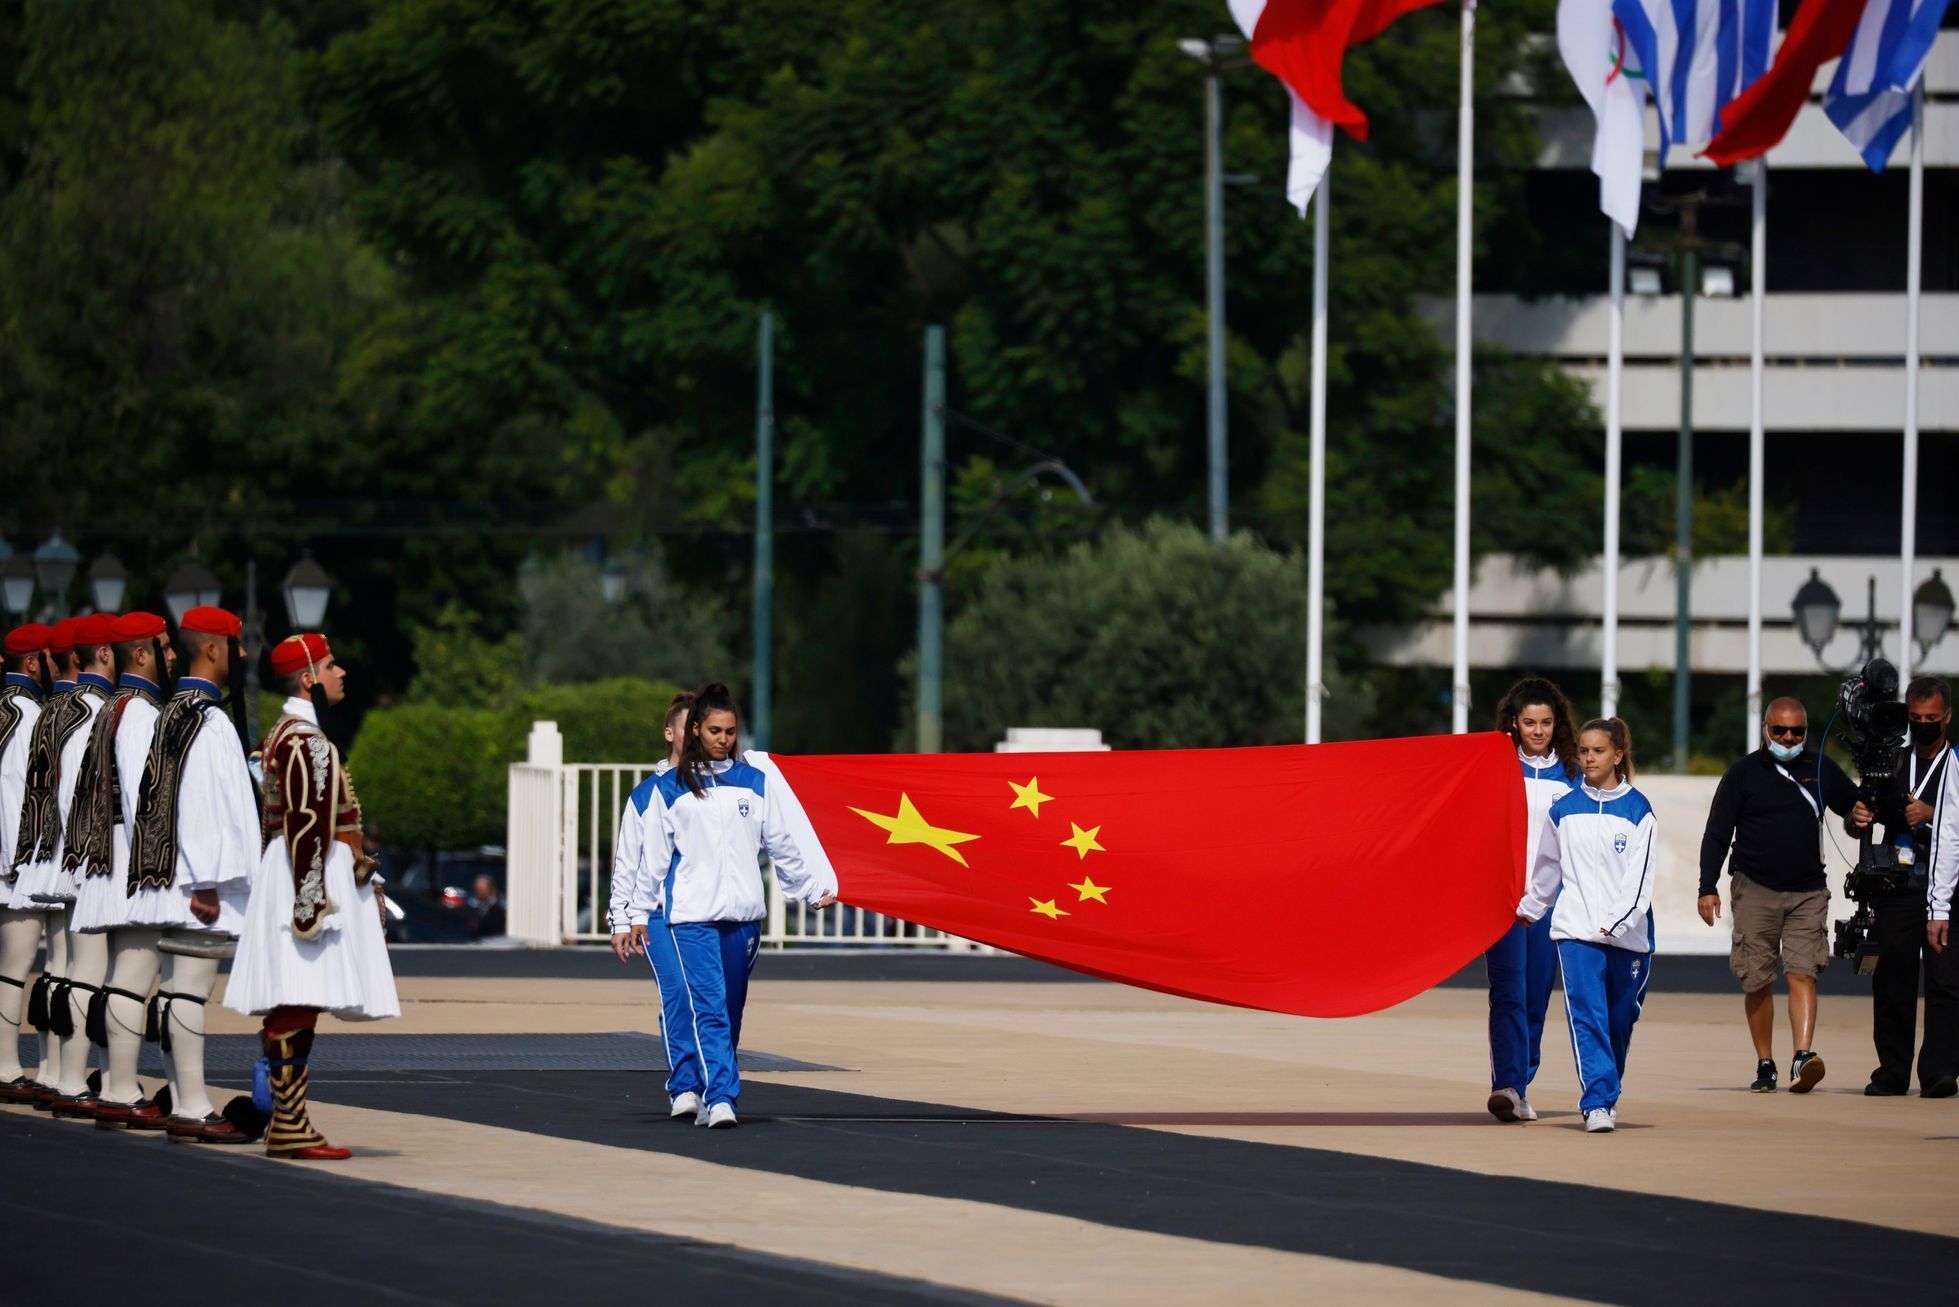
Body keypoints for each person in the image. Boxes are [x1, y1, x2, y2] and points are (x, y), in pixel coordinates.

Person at [224, 633, 400, 1160]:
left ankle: (288, 1119)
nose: (340, 672)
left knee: (296, 1002)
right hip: (309, 879)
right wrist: (312, 902)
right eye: (328, 665)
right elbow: (307, 827)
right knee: (297, 1001)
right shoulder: (307, 740)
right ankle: (289, 1124)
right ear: (307, 678)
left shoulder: (290, 733)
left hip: (303, 874)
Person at [629, 681, 836, 1127]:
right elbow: (653, 863)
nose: (723, 740)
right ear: (697, 729)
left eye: (730, 731)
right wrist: (637, 914)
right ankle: (722, 1096)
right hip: (691, 920)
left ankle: (712, 1087)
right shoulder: (670, 790)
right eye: (715, 730)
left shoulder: (754, 784)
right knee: (708, 1007)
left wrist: (807, 888)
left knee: (728, 1011)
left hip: (742, 921)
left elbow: (781, 845)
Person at [119, 606, 258, 1143]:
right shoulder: (206, 718)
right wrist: (204, 881)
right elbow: (199, 804)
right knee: (188, 994)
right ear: (215, 648)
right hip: (201, 883)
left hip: (184, 875)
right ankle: (192, 1105)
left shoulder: (175, 710)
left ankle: (184, 1098)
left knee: (179, 991)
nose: (243, 657)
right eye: (237, 646)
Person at [1698, 697, 1867, 1094]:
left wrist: (1858, 819)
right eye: (1780, 730)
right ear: (1765, 731)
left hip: (1808, 890)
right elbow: (1717, 833)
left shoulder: (1821, 768)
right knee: (1757, 979)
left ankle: (1803, 1056)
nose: (1788, 738)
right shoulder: (1742, 773)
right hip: (1754, 888)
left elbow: (1852, 812)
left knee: (1802, 972)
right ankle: (1766, 1062)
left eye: (1797, 732)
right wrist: (1707, 887)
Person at [1517, 718, 1655, 1134]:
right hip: (1575, 931)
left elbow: (1640, 879)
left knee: (1618, 1020)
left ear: (1618, 755)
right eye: (1583, 751)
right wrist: (1533, 906)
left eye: (1598, 751)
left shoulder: (1639, 810)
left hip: (1627, 935)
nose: (1589, 758)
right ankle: (1597, 1102)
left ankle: (1607, 1087)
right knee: (1587, 1015)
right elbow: (1546, 867)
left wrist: (1617, 921)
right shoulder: (1564, 809)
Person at [81, 611, 179, 1130]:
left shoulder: (115, 706)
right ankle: (120, 1088)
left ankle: (112, 1080)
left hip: (112, 854)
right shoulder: (139, 713)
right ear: (139, 655)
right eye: (162, 649)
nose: (171, 657)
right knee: (133, 974)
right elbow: (150, 794)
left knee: (120, 973)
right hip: (134, 857)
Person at [24, 613, 120, 1113]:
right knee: (86, 971)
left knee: (64, 966)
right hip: (85, 858)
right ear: (104, 654)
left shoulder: (57, 710)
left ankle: (56, 1071)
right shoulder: (96, 711)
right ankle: (68, 1079)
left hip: (59, 856)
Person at [7, 619, 102, 1108]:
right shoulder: (32, 713)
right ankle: (51, 1071)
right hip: (38, 858)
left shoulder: (36, 712)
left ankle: (45, 1068)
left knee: (38, 966)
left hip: (28, 856)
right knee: (48, 964)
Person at [1484, 676, 1580, 1123]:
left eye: (1545, 722)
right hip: (1502, 902)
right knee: (1507, 994)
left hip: (1551, 906)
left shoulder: (1574, 775)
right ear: (1514, 724)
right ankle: (1506, 1085)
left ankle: (1522, 1081)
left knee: (1535, 998)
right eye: (1528, 722)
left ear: (1556, 723)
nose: (1537, 731)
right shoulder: (1496, 767)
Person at [1860, 677, 1958, 1098]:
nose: (1923, 726)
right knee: (1892, 978)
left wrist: (1934, 814)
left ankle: (1940, 1070)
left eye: (1931, 720)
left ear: (1947, 718)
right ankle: (1892, 1071)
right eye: (1915, 719)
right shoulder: (1892, 762)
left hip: (1949, 890)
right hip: (1897, 883)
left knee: (1946, 981)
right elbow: (1860, 820)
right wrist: (1858, 816)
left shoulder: (1955, 763)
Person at [608, 691, 699, 1118]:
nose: (698, 734)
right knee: (677, 992)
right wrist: (621, 921)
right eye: (689, 726)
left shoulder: (720, 788)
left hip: (705, 913)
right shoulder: (645, 796)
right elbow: (628, 862)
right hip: (658, 916)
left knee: (707, 1001)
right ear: (670, 732)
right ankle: (683, 1085)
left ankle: (711, 1084)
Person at [0, 622, 53, 1102]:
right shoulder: (29, 715)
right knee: (15, 964)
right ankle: (5, 1063)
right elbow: (19, 794)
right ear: (32, 663)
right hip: (10, 865)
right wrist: (20, 860)